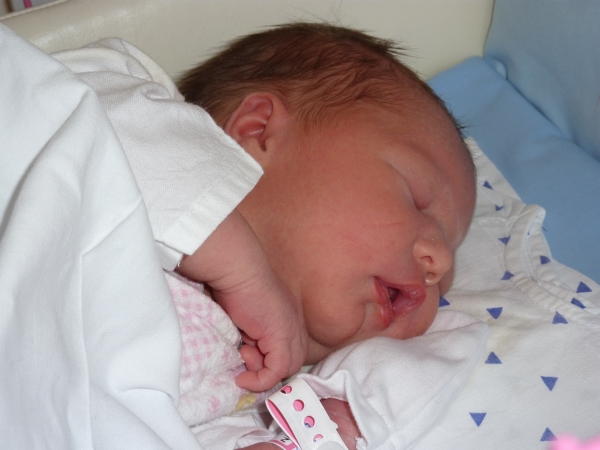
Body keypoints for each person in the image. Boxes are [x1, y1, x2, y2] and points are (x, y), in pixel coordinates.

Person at [54, 22, 476, 449]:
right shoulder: (128, 126)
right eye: (416, 198)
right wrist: (234, 260)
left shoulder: (242, 390)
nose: (439, 262)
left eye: (446, 278)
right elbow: (60, 105)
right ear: (257, 129)